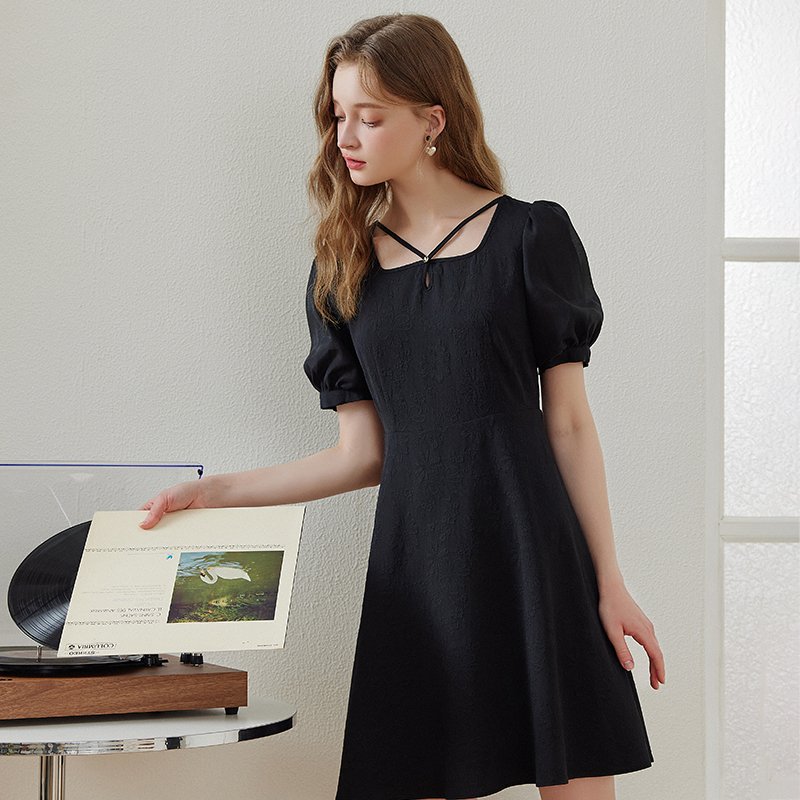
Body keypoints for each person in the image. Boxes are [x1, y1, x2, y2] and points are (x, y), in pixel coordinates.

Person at [138, 12, 666, 800]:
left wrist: (609, 581)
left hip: (535, 552)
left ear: (433, 120)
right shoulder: (340, 268)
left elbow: (568, 424)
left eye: (370, 116)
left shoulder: (531, 235)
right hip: (418, 567)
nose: (345, 137)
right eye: (337, 116)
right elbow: (363, 456)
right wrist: (214, 493)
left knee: (577, 775)